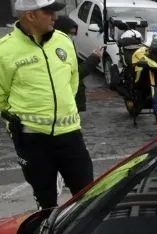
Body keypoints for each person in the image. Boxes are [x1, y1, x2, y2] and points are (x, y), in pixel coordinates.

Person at [0, 0, 94, 210]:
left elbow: (72, 81)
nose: (55, 17)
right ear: (30, 15)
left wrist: (64, 110)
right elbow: (1, 95)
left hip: (70, 135)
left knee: (87, 196)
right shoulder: (4, 50)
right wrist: (15, 125)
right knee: (46, 201)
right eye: (49, 11)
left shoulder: (64, 41)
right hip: (32, 140)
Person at [53, 15, 104, 112]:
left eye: (74, 34)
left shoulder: (66, 46)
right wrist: (94, 58)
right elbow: (75, 74)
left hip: (73, 101)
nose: (72, 37)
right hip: (65, 105)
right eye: (70, 33)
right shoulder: (57, 50)